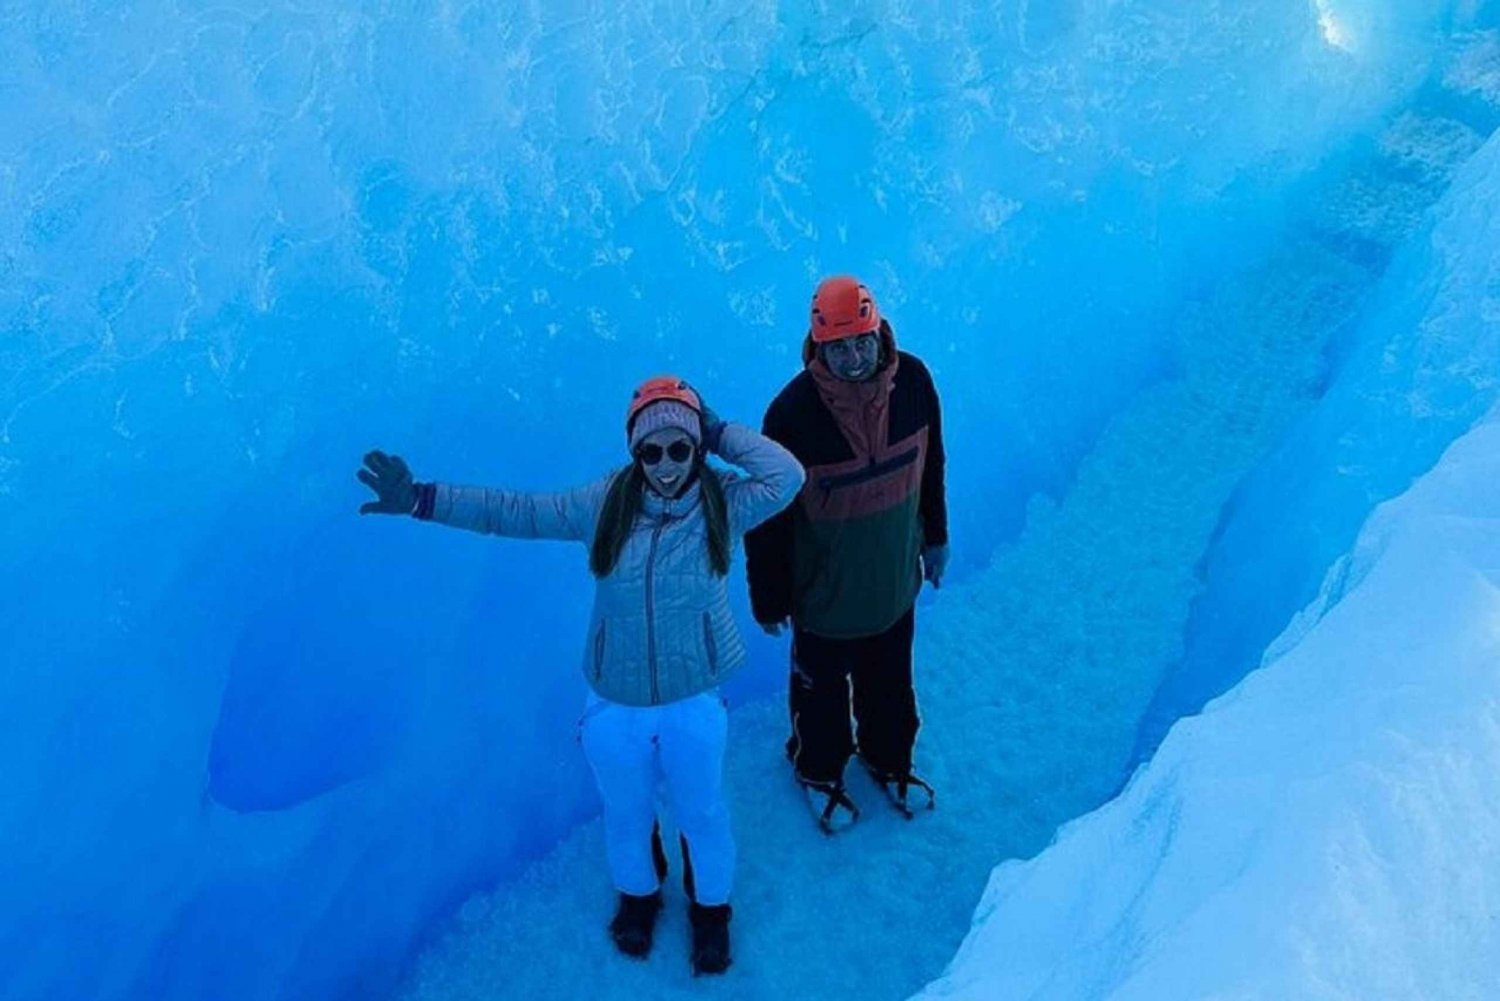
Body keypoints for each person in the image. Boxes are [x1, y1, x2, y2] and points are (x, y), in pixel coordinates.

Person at [357, 377, 804, 974]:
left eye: (681, 449)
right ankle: (640, 899)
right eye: (651, 451)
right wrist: (420, 499)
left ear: (698, 449)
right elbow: (514, 513)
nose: (666, 465)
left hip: (693, 695)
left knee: (702, 812)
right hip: (615, 699)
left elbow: (788, 476)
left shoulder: (723, 501)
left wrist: (719, 431)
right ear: (633, 453)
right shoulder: (603, 504)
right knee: (627, 812)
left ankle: (711, 914)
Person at [745, 276, 949, 833]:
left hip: (891, 581)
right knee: (821, 697)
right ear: (818, 345)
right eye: (838, 346)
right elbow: (767, 515)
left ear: (878, 331)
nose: (853, 357)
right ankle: (818, 771)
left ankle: (889, 760)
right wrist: (769, 596)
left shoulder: (914, 382)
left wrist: (936, 538)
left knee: (890, 684)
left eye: (860, 341)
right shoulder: (791, 414)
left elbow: (932, 467)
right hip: (824, 595)